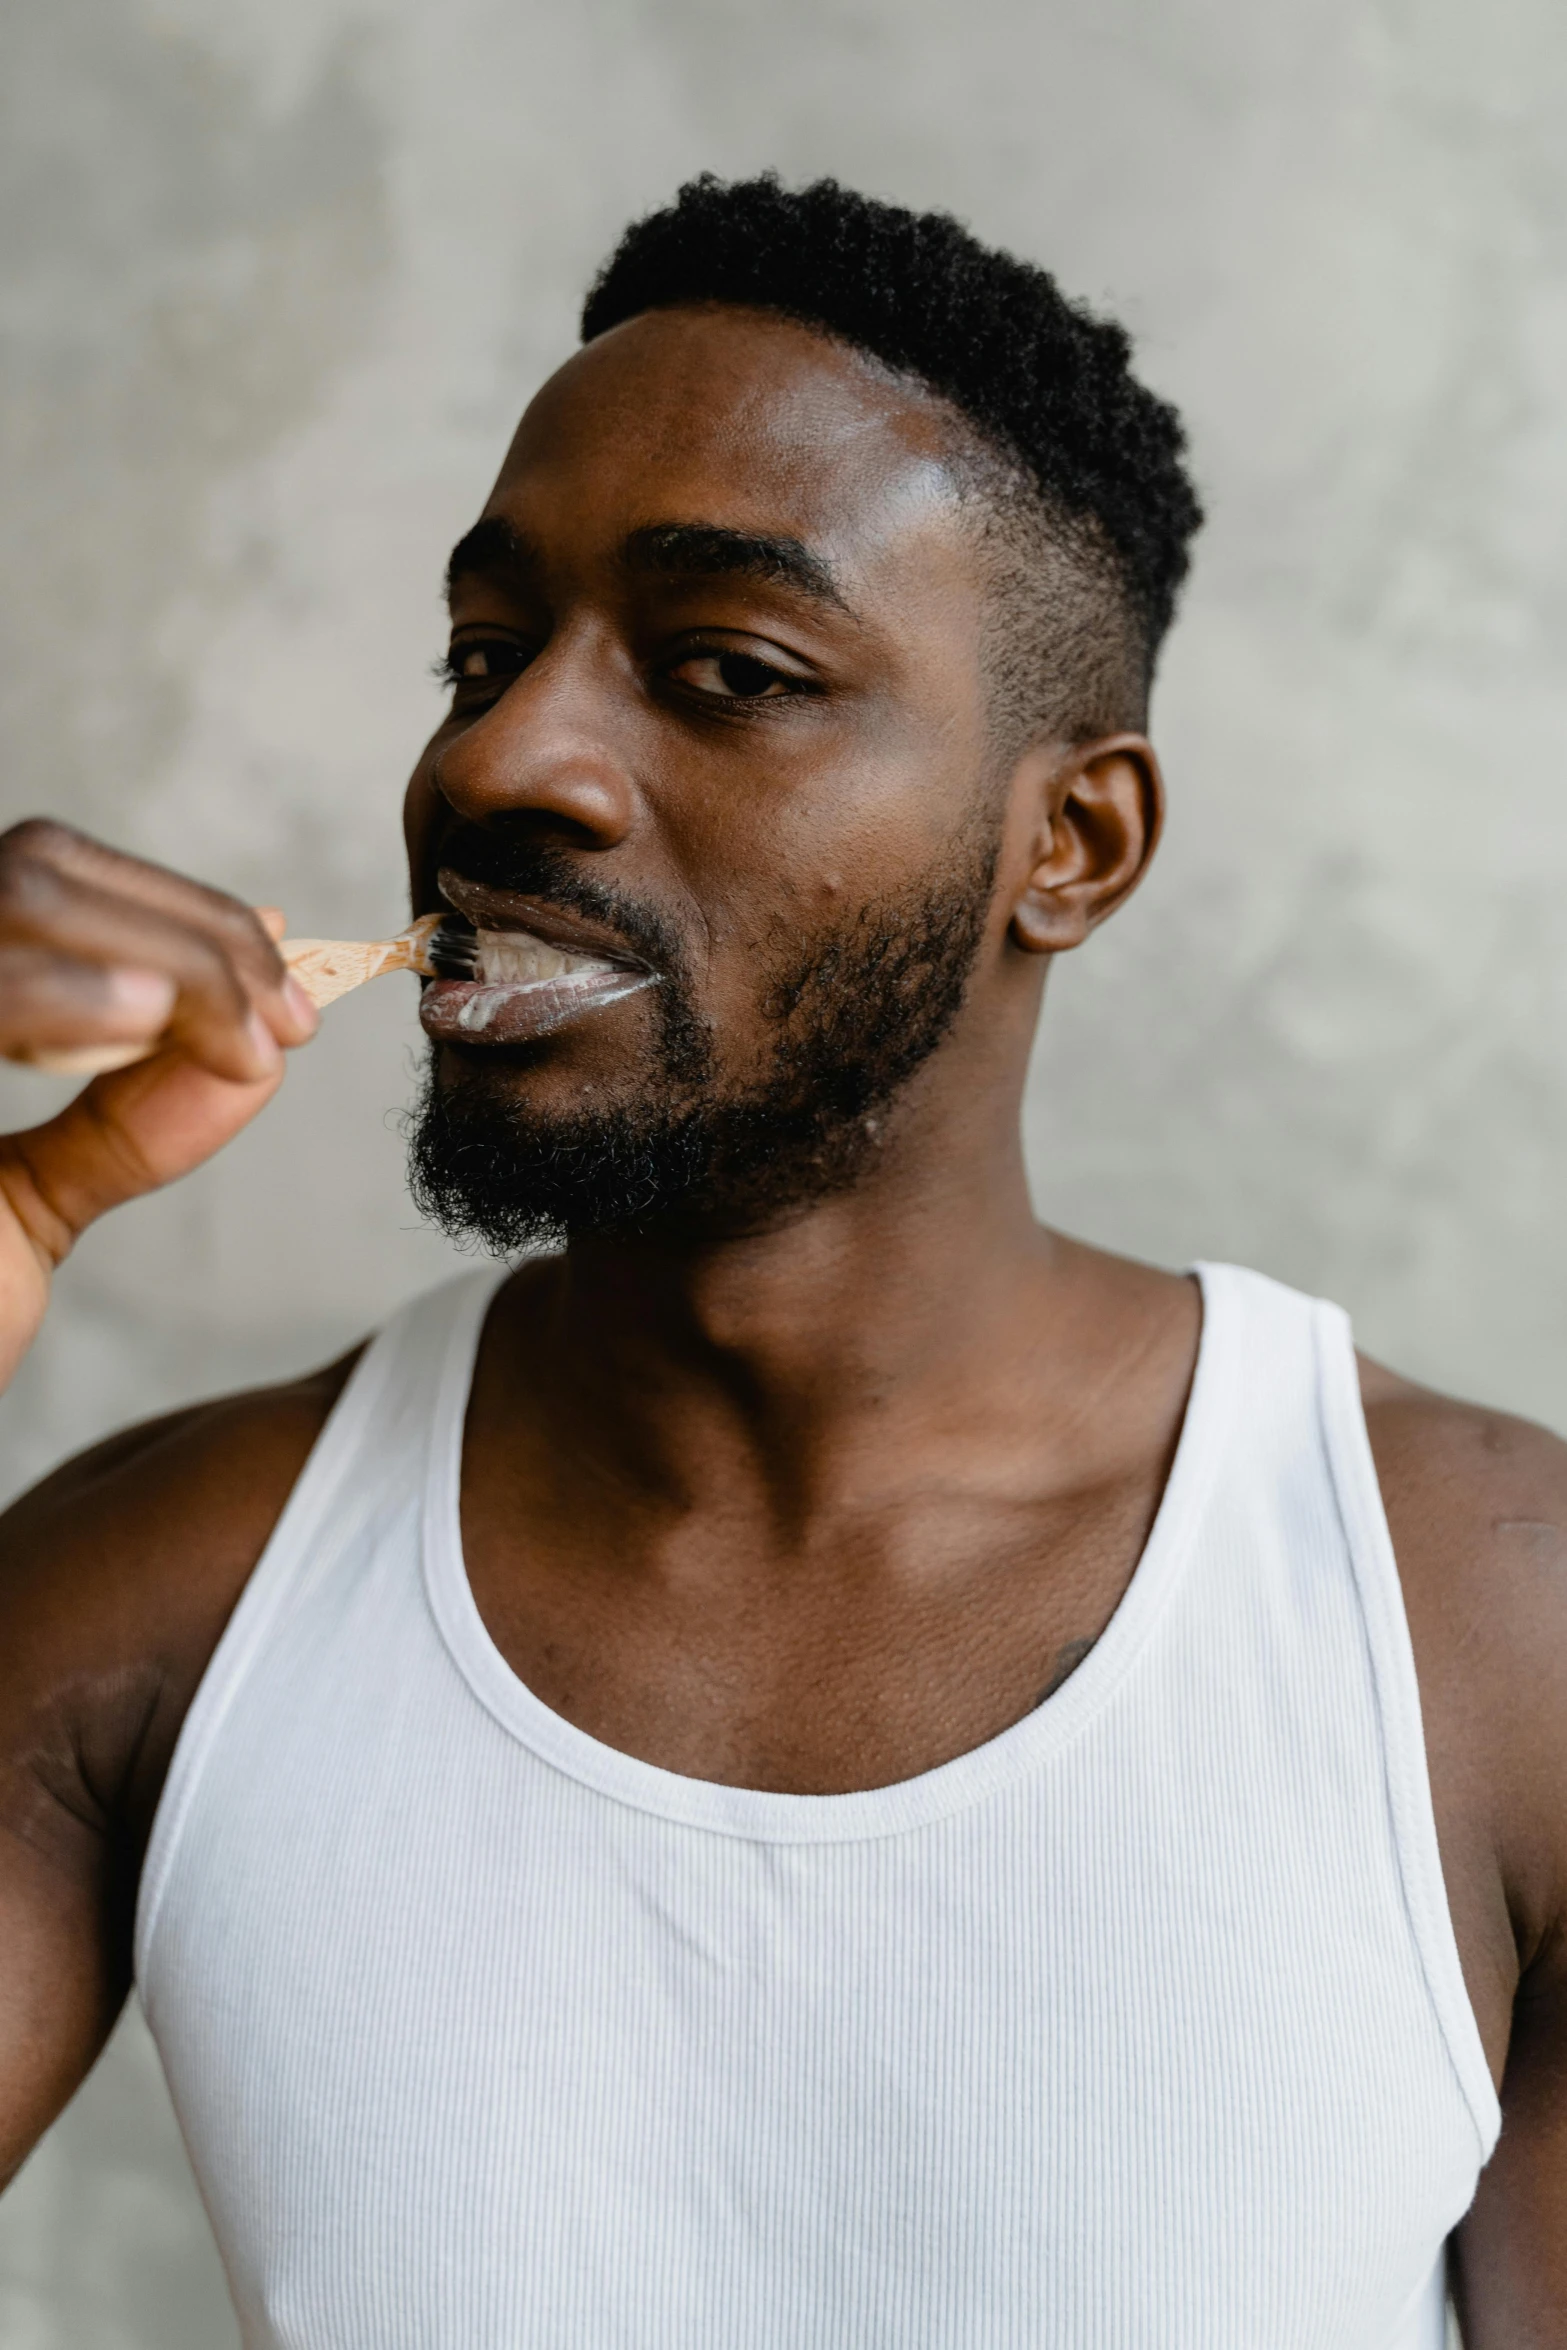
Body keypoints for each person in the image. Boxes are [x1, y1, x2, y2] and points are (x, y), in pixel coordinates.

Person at [0, 174, 1560, 2350]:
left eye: (726, 667)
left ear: (1070, 844)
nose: (501, 759)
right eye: (481, 652)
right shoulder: (155, 1599)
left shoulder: (1494, 1627)